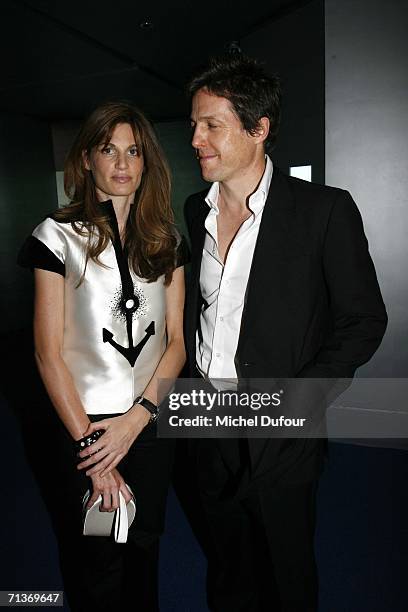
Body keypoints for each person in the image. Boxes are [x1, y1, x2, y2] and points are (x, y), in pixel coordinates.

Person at [183, 55, 387, 611]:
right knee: (226, 561)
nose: (196, 138)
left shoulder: (325, 211)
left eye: (211, 125)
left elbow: (363, 321)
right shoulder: (191, 212)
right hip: (205, 417)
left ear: (259, 128)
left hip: (280, 423)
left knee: (285, 567)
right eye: (195, 124)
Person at [18, 101, 187, 611]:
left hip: (148, 423)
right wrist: (94, 450)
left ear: (146, 160)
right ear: (87, 158)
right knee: (96, 557)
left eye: (133, 151)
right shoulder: (55, 236)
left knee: (145, 543)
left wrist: (138, 420)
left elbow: (176, 343)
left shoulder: (167, 239)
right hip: (82, 424)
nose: (122, 163)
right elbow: (48, 355)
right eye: (108, 149)